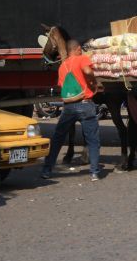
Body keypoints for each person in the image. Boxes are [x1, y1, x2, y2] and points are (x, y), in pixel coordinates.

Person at [41, 39, 101, 181]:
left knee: (57, 138)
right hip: (85, 104)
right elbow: (87, 70)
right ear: (78, 49)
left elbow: (63, 86)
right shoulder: (82, 59)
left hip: (68, 107)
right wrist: (93, 80)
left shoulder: (62, 66)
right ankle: (94, 173)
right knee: (92, 139)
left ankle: (47, 170)